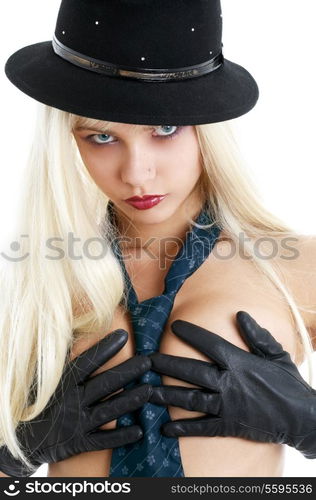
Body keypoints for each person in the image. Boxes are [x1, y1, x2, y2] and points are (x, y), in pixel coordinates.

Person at [0, 0, 315, 478]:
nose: (137, 173)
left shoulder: (296, 266)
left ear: (207, 130)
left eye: (165, 128)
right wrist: (13, 453)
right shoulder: (32, 287)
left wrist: (309, 424)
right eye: (101, 138)